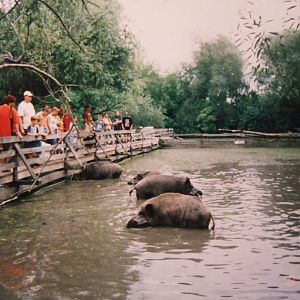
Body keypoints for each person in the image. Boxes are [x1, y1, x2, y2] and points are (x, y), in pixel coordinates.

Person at [0, 95, 23, 164]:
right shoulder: (12, 109)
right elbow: (16, 122)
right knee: (6, 150)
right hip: (7, 134)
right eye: (14, 102)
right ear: (11, 102)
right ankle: (4, 166)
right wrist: (18, 132)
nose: (14, 104)